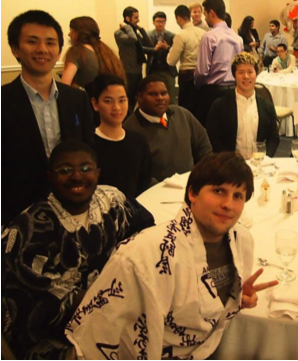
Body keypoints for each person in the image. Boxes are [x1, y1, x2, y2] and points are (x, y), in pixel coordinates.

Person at [65, 152, 278, 360]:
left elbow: (207, 306)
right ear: (192, 193)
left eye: (237, 196)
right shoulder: (143, 256)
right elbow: (95, 333)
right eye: (219, 191)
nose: (228, 204)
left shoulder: (242, 240)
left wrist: (236, 297)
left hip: (211, 347)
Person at [1, 140, 155, 359]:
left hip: (116, 311)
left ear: (98, 172)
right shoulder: (31, 227)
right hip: (53, 335)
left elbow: (147, 232)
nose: (76, 176)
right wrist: (119, 294)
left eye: (85, 169)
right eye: (65, 170)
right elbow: (41, 306)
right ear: (50, 176)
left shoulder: (111, 201)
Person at [2, 10, 95, 227]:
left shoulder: (77, 98)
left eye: (50, 43)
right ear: (15, 49)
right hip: (17, 213)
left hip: (73, 209)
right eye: (32, 42)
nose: (42, 49)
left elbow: (89, 150)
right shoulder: (4, 101)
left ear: (59, 50)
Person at [124, 75, 212, 182]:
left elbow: (203, 144)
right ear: (140, 98)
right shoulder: (130, 129)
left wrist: (202, 174)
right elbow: (136, 173)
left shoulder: (182, 114)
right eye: (153, 94)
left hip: (190, 184)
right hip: (156, 192)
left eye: (163, 93)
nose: (160, 98)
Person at [90, 74, 153, 198]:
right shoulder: (88, 144)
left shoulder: (139, 142)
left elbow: (144, 183)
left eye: (122, 100)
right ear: (95, 104)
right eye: (108, 101)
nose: (117, 107)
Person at [207, 52, 279, 159]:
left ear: (256, 74)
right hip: (230, 165)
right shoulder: (220, 106)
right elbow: (213, 137)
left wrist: (265, 157)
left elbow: (274, 138)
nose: (246, 76)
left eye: (250, 72)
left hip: (259, 164)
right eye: (241, 72)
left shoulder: (266, 106)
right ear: (234, 75)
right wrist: (229, 160)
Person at [194, 0, 243, 127]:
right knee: (228, 130)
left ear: (211, 13)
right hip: (234, 90)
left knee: (210, 131)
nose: (205, 18)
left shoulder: (209, 37)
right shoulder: (237, 38)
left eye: (204, 14)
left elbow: (202, 71)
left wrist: (197, 86)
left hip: (213, 92)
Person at [61, 16, 126, 99]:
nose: (69, 34)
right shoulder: (106, 51)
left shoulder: (76, 52)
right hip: (108, 103)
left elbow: (64, 85)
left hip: (87, 105)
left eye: (71, 30)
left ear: (77, 32)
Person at [114, 6, 153, 115]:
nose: (138, 20)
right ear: (127, 18)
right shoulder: (119, 33)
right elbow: (133, 39)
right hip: (127, 71)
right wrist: (127, 27)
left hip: (138, 70)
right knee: (128, 98)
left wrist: (141, 29)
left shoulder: (135, 32)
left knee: (137, 98)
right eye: (136, 18)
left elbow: (147, 45)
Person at [167, 5, 206, 112]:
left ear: (178, 18)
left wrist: (169, 49)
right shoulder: (203, 33)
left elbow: (171, 61)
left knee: (186, 109)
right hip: (202, 75)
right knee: (200, 108)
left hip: (187, 75)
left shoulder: (181, 35)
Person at [146, 12, 177, 104]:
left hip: (167, 69)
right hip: (153, 69)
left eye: (162, 22)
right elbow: (142, 49)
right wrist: (154, 49)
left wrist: (167, 48)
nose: (160, 24)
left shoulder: (171, 35)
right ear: (153, 22)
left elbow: (176, 51)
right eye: (158, 21)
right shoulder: (147, 35)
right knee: (152, 94)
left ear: (165, 22)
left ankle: (171, 115)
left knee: (171, 95)